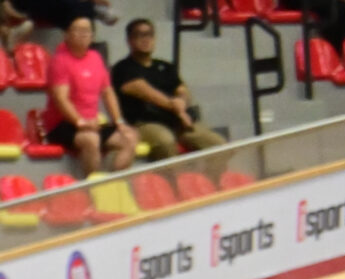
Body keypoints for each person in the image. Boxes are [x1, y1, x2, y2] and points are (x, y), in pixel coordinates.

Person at [110, 20, 219, 157]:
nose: (146, 39)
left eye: (149, 35)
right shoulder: (123, 68)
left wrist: (182, 102)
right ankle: (174, 172)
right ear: (129, 40)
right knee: (165, 141)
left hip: (176, 120)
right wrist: (176, 108)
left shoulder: (165, 66)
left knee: (216, 143)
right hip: (145, 123)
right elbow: (141, 89)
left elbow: (182, 90)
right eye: (140, 35)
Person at [46, 16, 135, 177]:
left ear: (92, 36)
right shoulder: (59, 60)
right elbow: (61, 99)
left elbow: (108, 92)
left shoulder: (96, 57)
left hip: (92, 122)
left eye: (87, 30)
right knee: (91, 139)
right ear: (66, 35)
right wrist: (80, 122)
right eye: (78, 30)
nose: (83, 34)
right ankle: (93, 186)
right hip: (63, 124)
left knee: (129, 137)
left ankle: (111, 182)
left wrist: (119, 121)